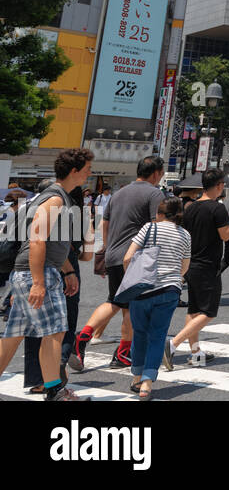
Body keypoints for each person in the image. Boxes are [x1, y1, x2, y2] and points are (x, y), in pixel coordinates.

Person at [0, 148, 95, 401]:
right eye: (87, 168)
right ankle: (55, 391)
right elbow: (37, 239)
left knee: (13, 335)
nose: (90, 173)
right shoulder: (55, 199)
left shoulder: (55, 197)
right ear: (74, 171)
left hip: (31, 272)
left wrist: (69, 270)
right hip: (38, 273)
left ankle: (54, 389)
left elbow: (52, 242)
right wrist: (39, 283)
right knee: (55, 332)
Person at [69, 155, 165, 374]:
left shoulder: (118, 193)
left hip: (113, 253)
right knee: (133, 305)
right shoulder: (154, 193)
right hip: (135, 255)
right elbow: (155, 226)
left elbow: (105, 223)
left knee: (115, 300)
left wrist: (108, 248)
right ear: (157, 173)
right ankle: (123, 352)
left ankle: (83, 337)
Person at [170, 169, 229, 368]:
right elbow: (225, 236)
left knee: (194, 309)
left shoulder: (191, 207)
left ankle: (195, 353)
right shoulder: (217, 208)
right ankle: (172, 345)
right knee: (209, 311)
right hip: (208, 265)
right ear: (219, 186)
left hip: (191, 263)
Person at [123, 198, 190, 400]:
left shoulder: (149, 229)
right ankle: (147, 384)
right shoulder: (185, 235)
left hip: (142, 289)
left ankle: (136, 377)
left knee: (140, 333)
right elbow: (184, 267)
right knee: (158, 335)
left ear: (159, 214)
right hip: (169, 290)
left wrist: (133, 276)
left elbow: (127, 258)